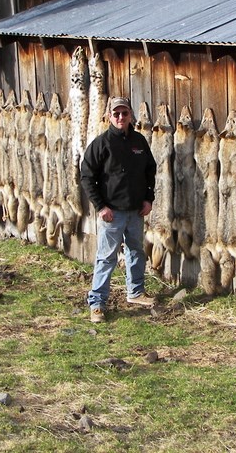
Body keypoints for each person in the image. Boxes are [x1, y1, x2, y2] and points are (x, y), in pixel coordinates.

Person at [80, 96, 157, 323]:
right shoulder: (101, 144)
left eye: (124, 113)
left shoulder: (139, 141)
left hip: (136, 211)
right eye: (116, 114)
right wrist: (100, 206)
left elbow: (150, 171)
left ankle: (136, 292)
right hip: (112, 213)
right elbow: (87, 177)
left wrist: (148, 199)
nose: (120, 117)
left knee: (136, 252)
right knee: (106, 257)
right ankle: (97, 303)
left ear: (131, 115)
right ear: (109, 116)